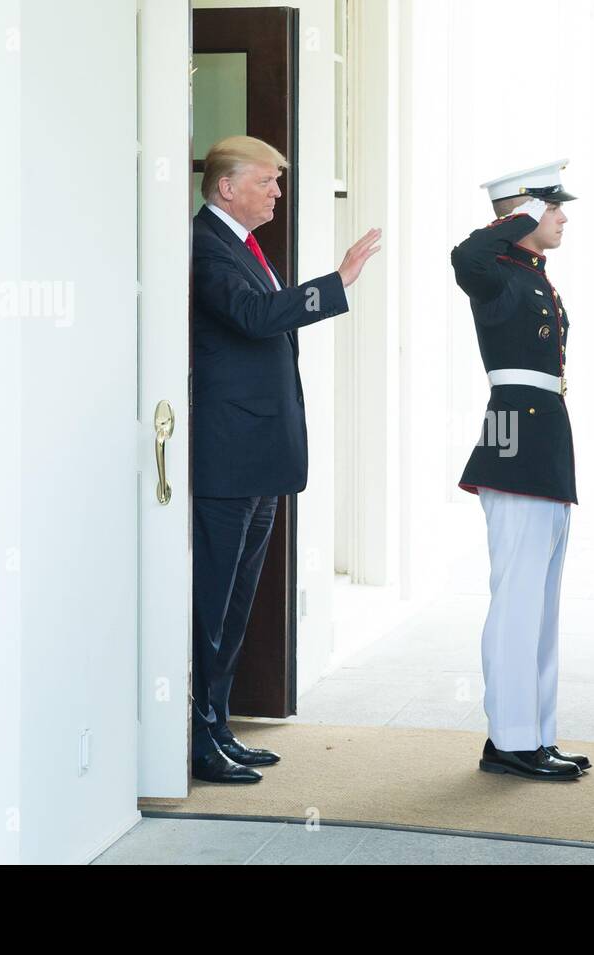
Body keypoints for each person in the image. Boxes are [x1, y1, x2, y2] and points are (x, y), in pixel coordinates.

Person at [190, 135, 381, 783]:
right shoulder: (204, 246)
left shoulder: (243, 245)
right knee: (212, 600)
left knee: (239, 597)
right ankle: (198, 735)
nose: (278, 192)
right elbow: (252, 316)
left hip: (257, 456)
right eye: (268, 181)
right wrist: (338, 282)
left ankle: (221, 724)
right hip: (225, 457)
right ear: (226, 188)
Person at [450, 159, 589, 781]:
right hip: (512, 443)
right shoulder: (496, 271)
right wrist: (515, 218)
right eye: (550, 206)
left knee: (542, 601)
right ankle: (509, 740)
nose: (561, 216)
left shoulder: (534, 276)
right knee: (517, 599)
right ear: (524, 212)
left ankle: (534, 735)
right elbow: (464, 257)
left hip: (544, 442)